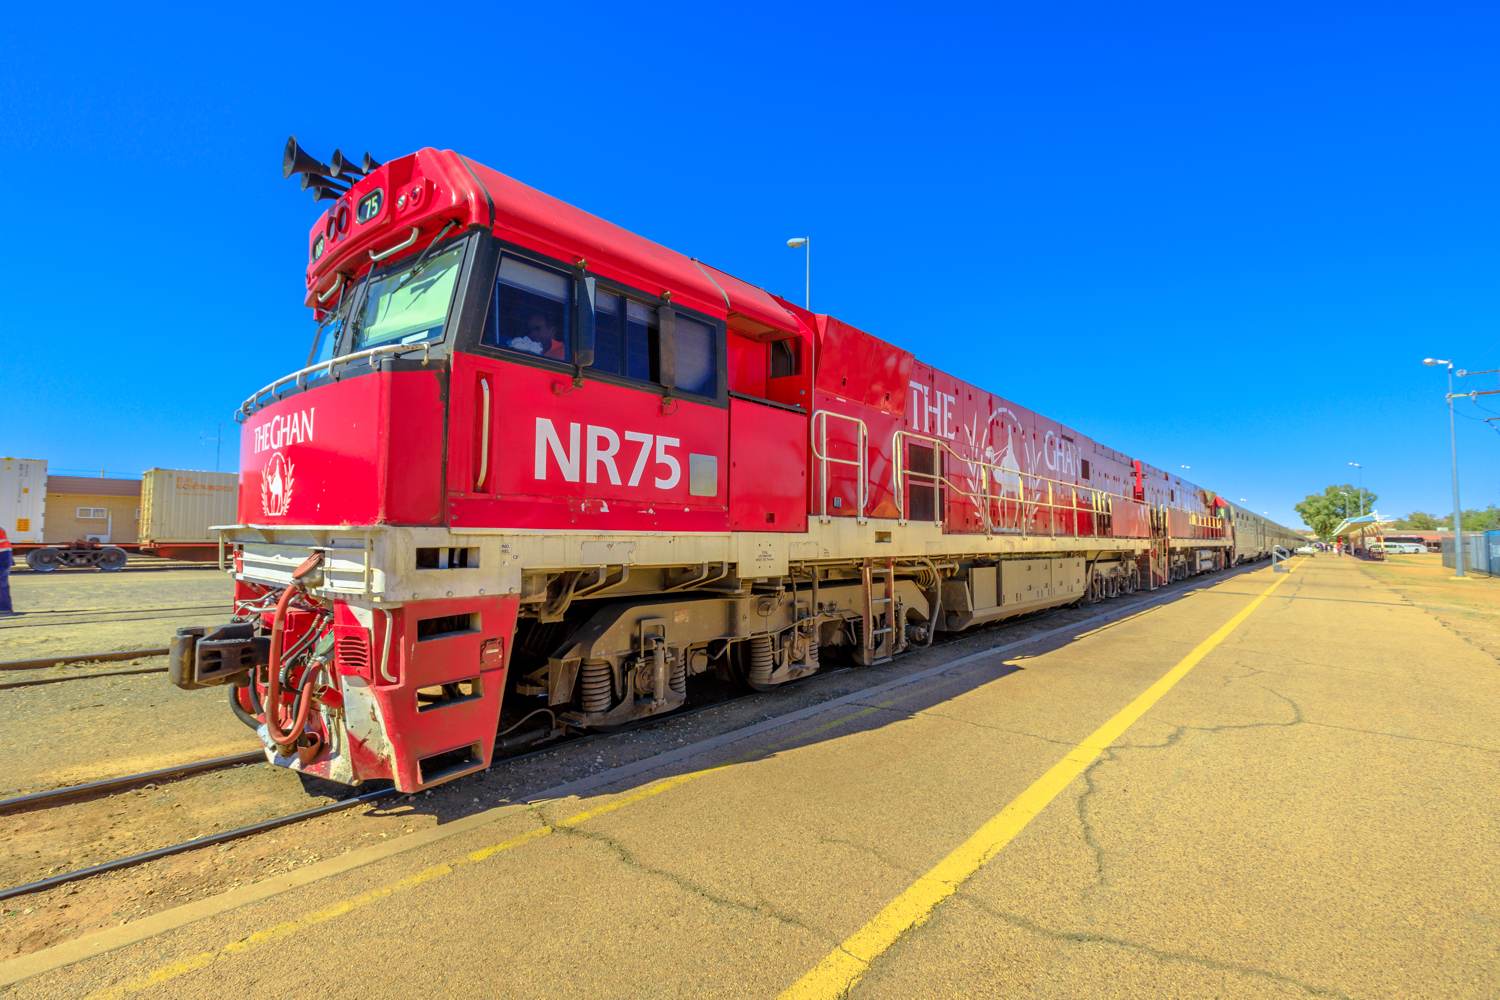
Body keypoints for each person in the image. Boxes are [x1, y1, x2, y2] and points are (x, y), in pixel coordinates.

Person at [0, 525, 12, 617]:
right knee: (3, 585)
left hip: (2, 557)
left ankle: (4, 609)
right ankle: (5, 608)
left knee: (2, 585)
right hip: (5, 556)